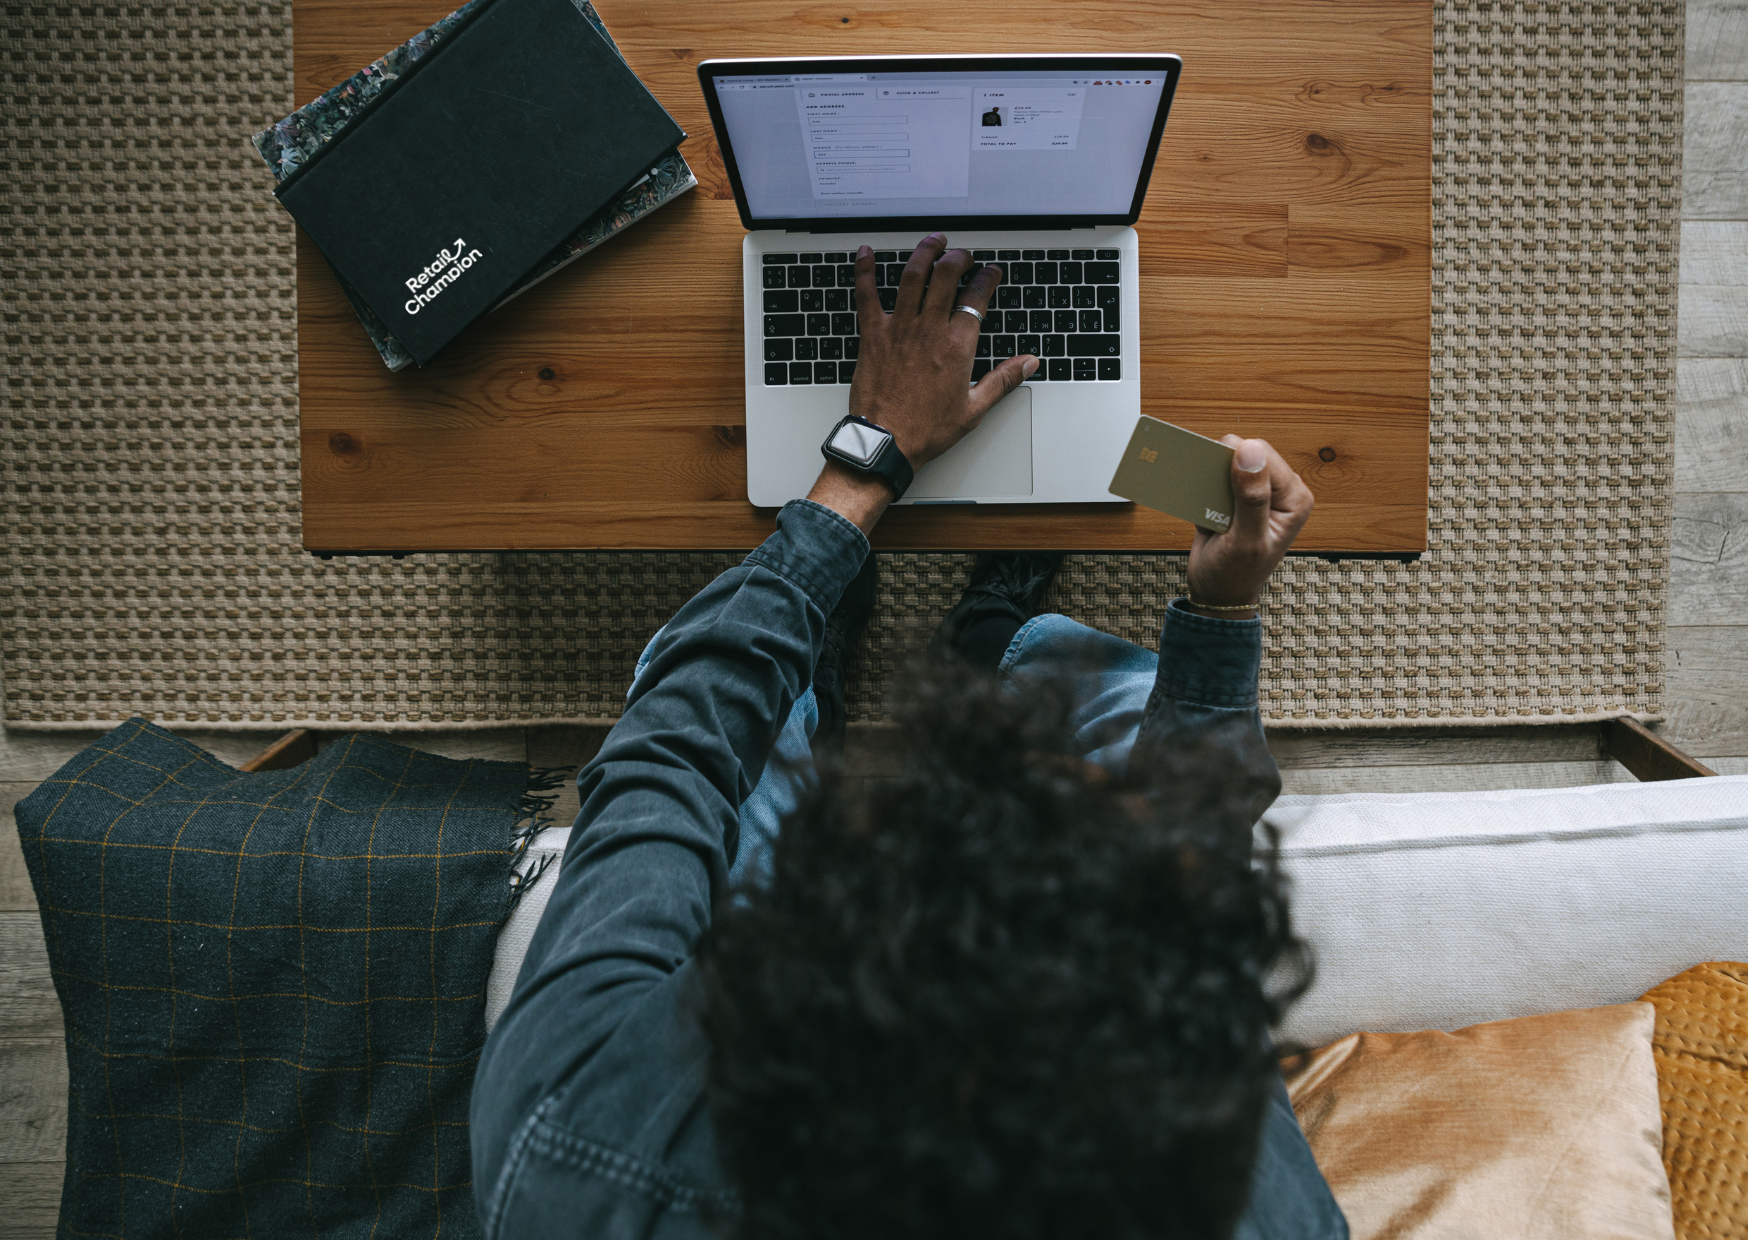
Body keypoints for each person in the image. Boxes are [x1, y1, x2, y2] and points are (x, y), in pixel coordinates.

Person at [471, 234, 1340, 1239]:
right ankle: (989, 638)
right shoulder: (1226, 1186)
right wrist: (1220, 612)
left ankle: (812, 684)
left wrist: (858, 470)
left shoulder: (572, 1144)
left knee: (733, 697)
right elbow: (1191, 902)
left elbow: (668, 754)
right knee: (1135, 687)